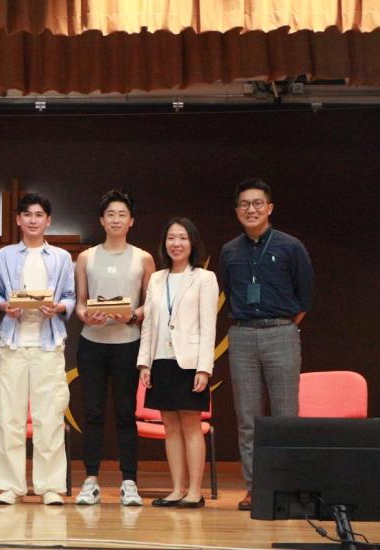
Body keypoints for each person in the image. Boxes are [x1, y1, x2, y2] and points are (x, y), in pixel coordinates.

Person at [219, 178, 314, 511]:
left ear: (269, 208)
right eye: (245, 204)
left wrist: (281, 325)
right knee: (248, 419)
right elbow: (230, 291)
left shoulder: (291, 246)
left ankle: (288, 488)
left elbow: (304, 297)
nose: (251, 209)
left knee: (285, 416)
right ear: (237, 211)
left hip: (281, 332)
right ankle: (255, 488)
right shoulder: (229, 251)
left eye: (258, 203)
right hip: (242, 334)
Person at [0, 192, 75, 505]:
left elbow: (70, 297)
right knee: (9, 417)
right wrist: (4, 306)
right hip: (13, 343)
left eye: (39, 215)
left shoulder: (62, 257)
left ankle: (50, 486)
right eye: (27, 214)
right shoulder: (4, 256)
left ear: (48, 220)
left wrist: (59, 308)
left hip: (48, 344)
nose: (33, 220)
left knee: (49, 417)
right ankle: (10, 486)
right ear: (18, 219)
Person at [74, 189, 155, 506]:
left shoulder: (143, 258)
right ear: (101, 220)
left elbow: (150, 304)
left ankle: (129, 482)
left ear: (131, 221)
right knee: (93, 413)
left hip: (127, 344)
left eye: (122, 214)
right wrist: (85, 315)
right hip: (92, 344)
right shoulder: (86, 257)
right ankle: (90, 480)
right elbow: (80, 303)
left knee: (125, 413)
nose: (116, 219)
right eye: (111, 214)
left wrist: (133, 315)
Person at [137, 217, 218, 508]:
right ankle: (176, 489)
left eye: (182, 238)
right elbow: (148, 324)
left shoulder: (204, 278)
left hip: (189, 361)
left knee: (191, 425)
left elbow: (208, 327)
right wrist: (144, 363)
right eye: (171, 238)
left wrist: (204, 368)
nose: (176, 243)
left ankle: (195, 491)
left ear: (192, 242)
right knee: (170, 426)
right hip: (160, 359)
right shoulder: (157, 279)